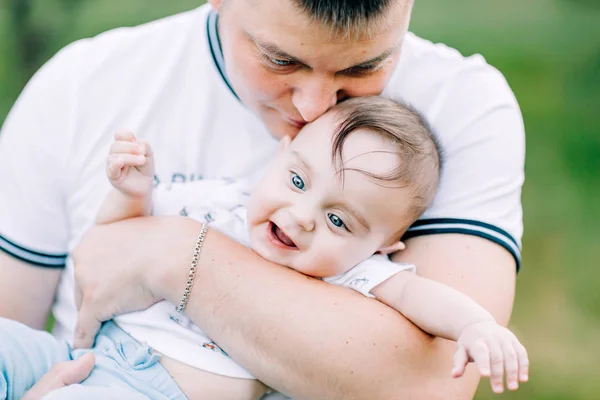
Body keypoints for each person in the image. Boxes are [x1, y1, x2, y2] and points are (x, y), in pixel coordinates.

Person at [0, 0, 525, 398]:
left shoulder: (459, 109)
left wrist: (172, 256)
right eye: (280, 59)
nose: (315, 106)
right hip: (78, 364)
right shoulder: (82, 85)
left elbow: (428, 385)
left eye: (363, 67)